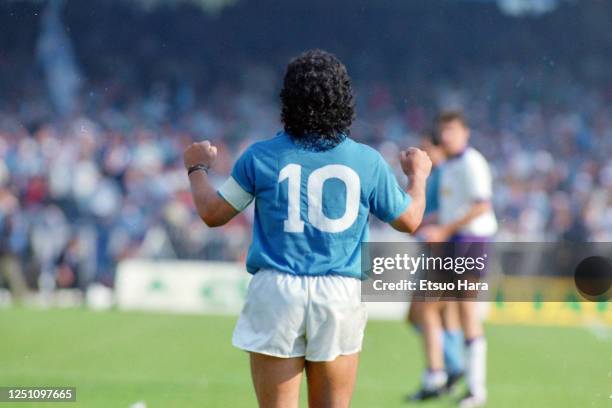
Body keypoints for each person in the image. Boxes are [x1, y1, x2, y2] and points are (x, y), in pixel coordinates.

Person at [183, 49, 432, 408]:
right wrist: (418, 176)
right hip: (339, 293)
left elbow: (212, 213)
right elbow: (409, 220)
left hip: (278, 290)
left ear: (288, 100)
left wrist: (196, 169)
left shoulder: (260, 156)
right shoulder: (366, 160)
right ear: (344, 99)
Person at [420, 111, 497, 408]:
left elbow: (482, 206)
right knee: (433, 305)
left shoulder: (471, 162)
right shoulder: (450, 166)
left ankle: (476, 389)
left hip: (471, 240)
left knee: (466, 310)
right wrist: (428, 223)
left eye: (452, 129)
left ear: (466, 132)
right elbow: (452, 209)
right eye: (444, 131)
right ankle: (444, 372)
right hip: (454, 238)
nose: (447, 136)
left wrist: (443, 229)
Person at [407, 133, 465, 402]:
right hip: (437, 250)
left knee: (424, 311)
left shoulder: (446, 175)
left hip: (444, 251)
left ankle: (440, 371)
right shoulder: (437, 175)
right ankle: (451, 365)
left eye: (426, 148)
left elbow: (450, 211)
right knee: (440, 312)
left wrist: (424, 222)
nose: (423, 153)